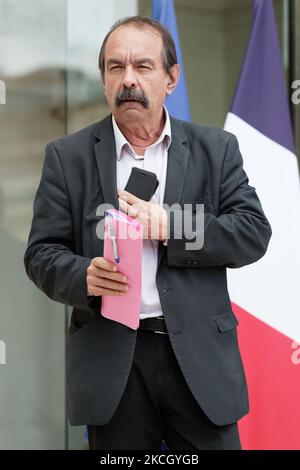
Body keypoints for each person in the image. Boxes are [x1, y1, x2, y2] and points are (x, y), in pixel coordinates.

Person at [24, 16, 272, 450]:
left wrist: (171, 226)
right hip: (113, 362)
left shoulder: (216, 150)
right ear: (103, 80)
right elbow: (42, 253)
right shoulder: (68, 157)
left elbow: (252, 233)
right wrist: (83, 276)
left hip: (197, 361)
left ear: (171, 78)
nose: (128, 80)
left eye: (143, 66)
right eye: (116, 68)